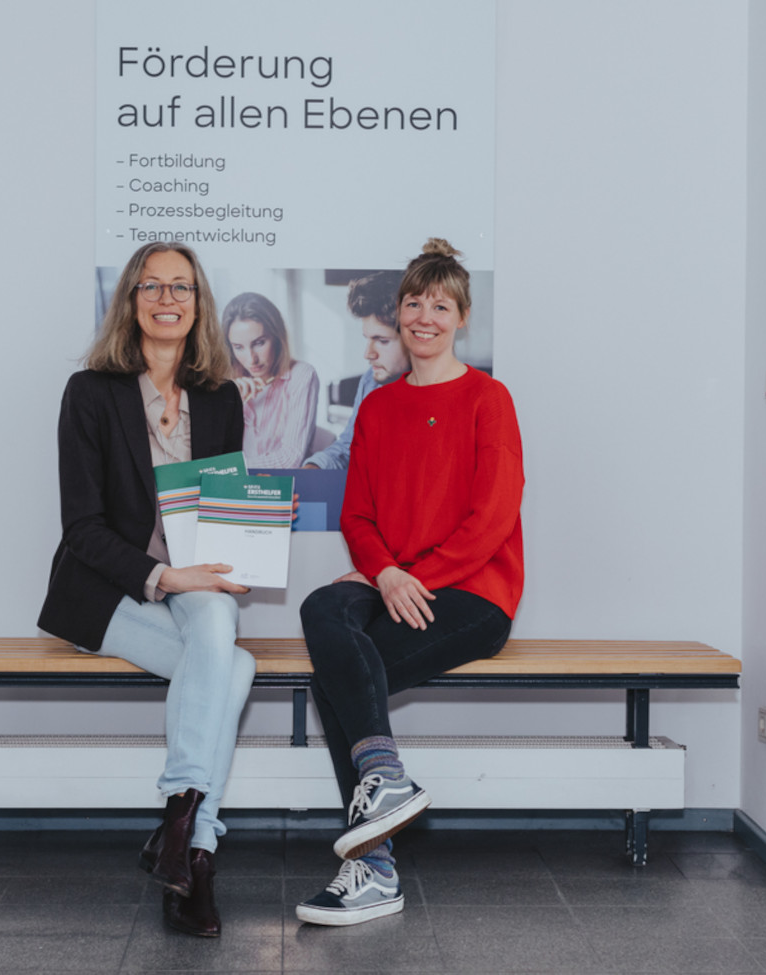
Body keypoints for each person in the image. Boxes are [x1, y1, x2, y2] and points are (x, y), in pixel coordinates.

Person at [295, 239, 525, 926]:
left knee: (332, 680)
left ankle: (372, 868)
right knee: (322, 605)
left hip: (474, 592)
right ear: (397, 313)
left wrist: (406, 577)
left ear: (462, 317)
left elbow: (492, 518)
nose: (425, 316)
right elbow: (356, 513)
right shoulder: (377, 408)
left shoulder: (489, 398)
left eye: (441, 304)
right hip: (396, 578)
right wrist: (386, 572)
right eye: (414, 302)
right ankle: (386, 783)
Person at [37, 242, 254, 939]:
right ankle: (195, 844)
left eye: (181, 287)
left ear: (199, 302)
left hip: (194, 580)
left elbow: (224, 507)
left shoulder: (220, 397)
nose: (168, 299)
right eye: (152, 286)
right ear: (130, 300)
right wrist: (164, 575)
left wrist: (234, 551)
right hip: (107, 590)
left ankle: (183, 832)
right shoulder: (90, 392)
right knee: (236, 664)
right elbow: (82, 529)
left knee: (219, 626)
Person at [303, 270, 410, 470]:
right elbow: (348, 447)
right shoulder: (370, 381)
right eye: (367, 338)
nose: (368, 354)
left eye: (382, 341)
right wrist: (313, 469)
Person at [222, 291, 320, 467]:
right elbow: (209, 456)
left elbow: (291, 458)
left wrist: (232, 468)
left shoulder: (302, 375)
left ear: (277, 337)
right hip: (238, 487)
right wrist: (229, 406)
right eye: (239, 347)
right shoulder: (227, 384)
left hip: (284, 487)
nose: (251, 359)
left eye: (259, 343)